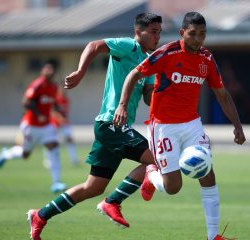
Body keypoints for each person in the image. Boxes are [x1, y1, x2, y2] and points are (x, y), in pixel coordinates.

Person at [26, 13, 162, 240]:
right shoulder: (128, 46)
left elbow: (149, 98)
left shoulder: (149, 62)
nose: (158, 37)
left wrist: (162, 89)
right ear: (139, 32)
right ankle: (113, 202)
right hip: (111, 123)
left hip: (116, 127)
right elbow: (94, 45)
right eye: (153, 32)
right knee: (157, 159)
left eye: (159, 32)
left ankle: (40, 215)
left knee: (93, 187)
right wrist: (80, 72)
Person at [113, 12, 246, 240]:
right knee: (173, 187)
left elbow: (222, 95)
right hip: (163, 127)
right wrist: (122, 105)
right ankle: (151, 173)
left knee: (208, 175)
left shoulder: (206, 59)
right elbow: (134, 74)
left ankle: (213, 236)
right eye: (193, 34)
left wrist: (237, 125)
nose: (197, 39)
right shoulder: (167, 53)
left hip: (192, 125)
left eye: (202, 34)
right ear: (182, 33)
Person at [0, 63, 67, 193]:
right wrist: (39, 114)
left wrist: (60, 111)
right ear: (42, 71)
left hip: (46, 126)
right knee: (25, 154)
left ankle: (56, 183)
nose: (49, 70)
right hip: (31, 125)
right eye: (46, 68)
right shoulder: (37, 85)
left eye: (51, 68)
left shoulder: (54, 86)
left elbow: (54, 103)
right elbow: (26, 103)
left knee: (54, 148)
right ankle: (6, 154)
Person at [43, 85, 80, 168]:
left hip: (65, 124)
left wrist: (64, 120)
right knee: (51, 141)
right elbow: (52, 111)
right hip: (55, 124)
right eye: (62, 89)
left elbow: (65, 113)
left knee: (70, 140)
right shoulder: (55, 99)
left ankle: (74, 160)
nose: (64, 91)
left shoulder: (66, 100)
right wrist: (59, 118)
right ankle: (48, 160)